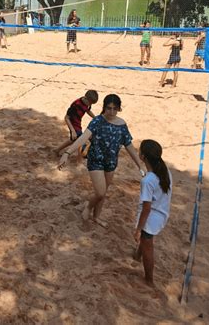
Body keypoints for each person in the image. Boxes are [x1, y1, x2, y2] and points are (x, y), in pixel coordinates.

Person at [58, 94, 145, 228]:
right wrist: (67, 153)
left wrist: (140, 166)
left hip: (111, 163)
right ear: (104, 107)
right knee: (100, 192)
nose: (111, 112)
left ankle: (96, 217)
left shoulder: (122, 125)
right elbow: (83, 138)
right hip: (95, 160)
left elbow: (129, 147)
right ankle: (88, 206)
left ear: (119, 109)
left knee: (103, 192)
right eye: (108, 108)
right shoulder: (97, 121)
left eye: (114, 109)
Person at [133, 139, 172, 287]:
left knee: (147, 244)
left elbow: (146, 208)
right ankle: (137, 256)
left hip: (152, 218)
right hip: (162, 212)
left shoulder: (147, 181)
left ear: (142, 157)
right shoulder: (164, 170)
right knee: (145, 240)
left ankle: (149, 280)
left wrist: (137, 229)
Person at [55, 90, 98, 157]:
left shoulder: (88, 103)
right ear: (86, 98)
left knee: (74, 139)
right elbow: (66, 118)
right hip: (72, 122)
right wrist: (73, 131)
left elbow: (88, 110)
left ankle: (57, 150)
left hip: (78, 121)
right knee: (79, 138)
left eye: (91, 104)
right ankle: (79, 158)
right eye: (90, 103)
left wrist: (95, 118)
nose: (90, 105)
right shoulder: (76, 105)